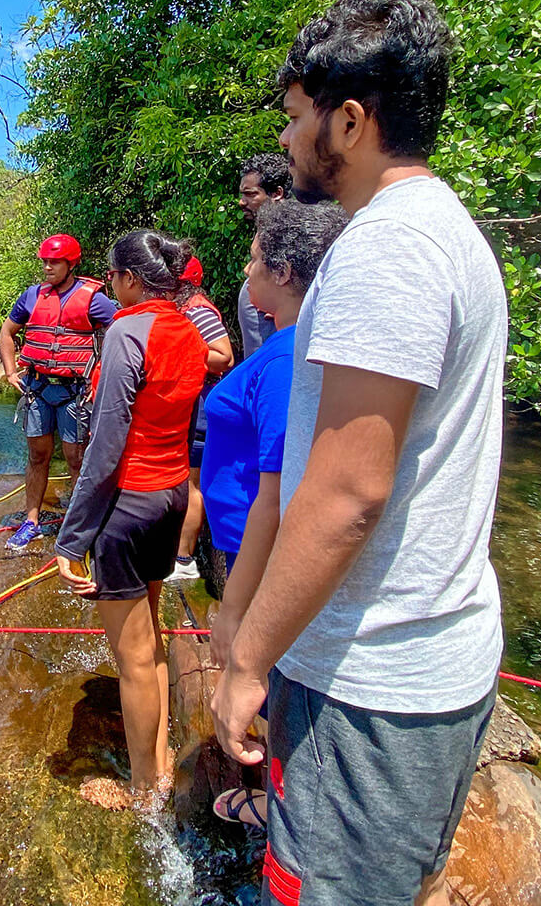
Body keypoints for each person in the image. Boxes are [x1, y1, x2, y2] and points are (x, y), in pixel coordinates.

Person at [211, 0, 507, 906]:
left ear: (350, 119)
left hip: (370, 686)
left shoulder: (388, 249)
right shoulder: (439, 231)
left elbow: (347, 496)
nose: (290, 141)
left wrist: (247, 661)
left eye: (300, 119)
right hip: (413, 666)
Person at [201, 200, 347, 829]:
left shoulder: (290, 359)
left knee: (278, 678)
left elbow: (280, 489)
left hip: (255, 552)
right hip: (242, 544)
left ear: (285, 273)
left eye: (257, 257)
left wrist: (235, 610)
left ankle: (282, 807)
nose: (247, 265)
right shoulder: (288, 345)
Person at [53, 230, 208, 806]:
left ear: (130, 279)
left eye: (112, 276)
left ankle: (145, 790)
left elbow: (107, 443)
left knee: (132, 657)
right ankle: (162, 762)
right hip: (170, 495)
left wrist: (72, 538)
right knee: (152, 636)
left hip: (129, 505)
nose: (109, 286)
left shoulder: (126, 330)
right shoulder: (189, 331)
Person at [0, 234, 118, 550]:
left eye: (54, 262)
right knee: (38, 456)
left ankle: (78, 527)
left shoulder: (94, 299)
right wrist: (11, 371)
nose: (48, 267)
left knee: (76, 459)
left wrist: (102, 377)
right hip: (38, 388)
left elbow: (119, 333)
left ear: (71, 264)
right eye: (45, 262)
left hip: (74, 391)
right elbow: (7, 332)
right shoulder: (32, 296)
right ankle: (31, 521)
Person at [166, 255, 234, 582]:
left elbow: (223, 356)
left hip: (201, 406)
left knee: (191, 483)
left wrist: (181, 349)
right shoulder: (182, 309)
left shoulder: (198, 311)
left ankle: (184, 560)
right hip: (185, 403)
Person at [233, 152, 292, 361]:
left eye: (250, 194)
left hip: (271, 344)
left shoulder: (292, 233)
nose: (242, 202)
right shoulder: (267, 228)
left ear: (276, 193)